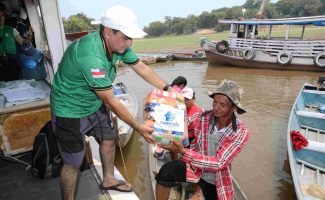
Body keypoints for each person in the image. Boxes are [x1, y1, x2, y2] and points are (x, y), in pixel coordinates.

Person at [50, 5, 175, 200]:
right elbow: (112, 101)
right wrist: (139, 127)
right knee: (72, 162)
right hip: (69, 109)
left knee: (109, 137)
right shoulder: (91, 56)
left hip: (93, 101)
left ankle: (108, 178)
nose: (129, 42)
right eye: (125, 37)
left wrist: (169, 90)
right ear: (108, 32)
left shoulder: (117, 46)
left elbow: (142, 68)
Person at [155, 80, 250, 200]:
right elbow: (182, 123)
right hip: (196, 168)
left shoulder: (240, 131)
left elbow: (219, 163)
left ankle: (198, 191)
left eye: (222, 104)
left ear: (234, 108)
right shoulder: (202, 117)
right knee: (166, 172)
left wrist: (183, 151)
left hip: (216, 178)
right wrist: (162, 127)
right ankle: (196, 189)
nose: (216, 107)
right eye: (215, 102)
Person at [0, 5, 26, 81]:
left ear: (4, 17)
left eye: (2, 15)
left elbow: (22, 42)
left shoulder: (11, 30)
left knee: (14, 81)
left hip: (12, 61)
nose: (0, 18)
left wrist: (29, 37)